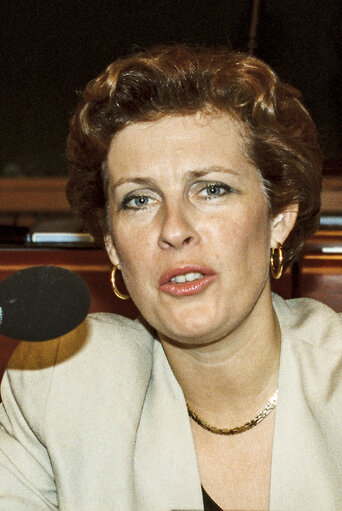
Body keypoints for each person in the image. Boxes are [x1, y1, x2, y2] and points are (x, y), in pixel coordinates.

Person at [0, 44, 341, 511]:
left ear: (278, 219)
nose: (174, 230)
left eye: (212, 189)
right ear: (114, 246)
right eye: (139, 200)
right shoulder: (57, 384)